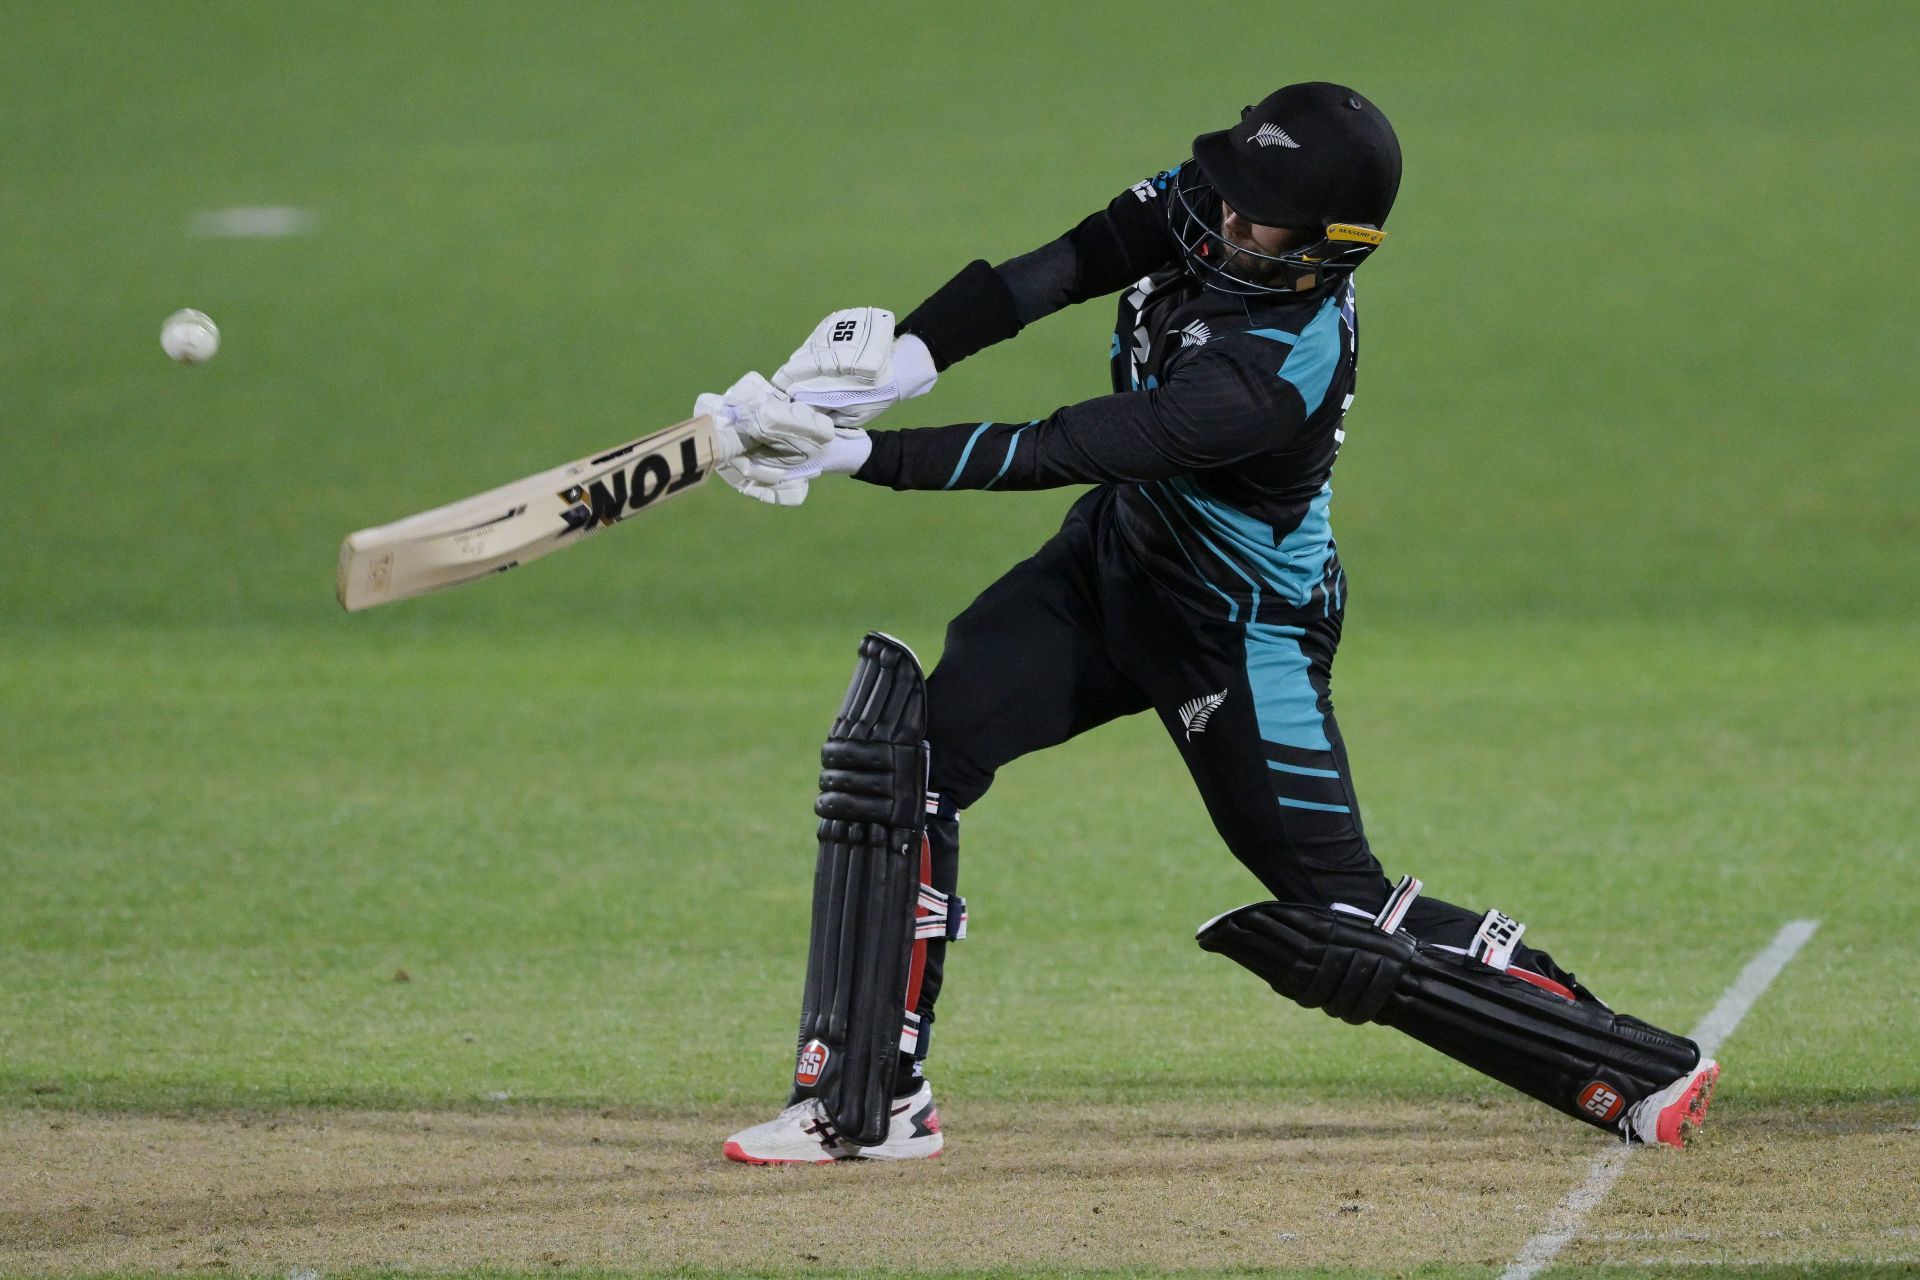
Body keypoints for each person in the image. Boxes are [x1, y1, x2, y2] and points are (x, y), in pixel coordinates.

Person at [695, 83, 1718, 1164]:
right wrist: (889, 367)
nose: (1225, 216)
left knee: (1337, 911)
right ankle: (871, 1100)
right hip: (1115, 564)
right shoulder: (1219, 201)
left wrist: (852, 454)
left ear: (1330, 246)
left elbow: (1065, 445)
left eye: (1258, 209)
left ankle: (1632, 1060)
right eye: (1231, 186)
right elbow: (1062, 266)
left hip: (1241, 629)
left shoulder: (1274, 368)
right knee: (905, 759)